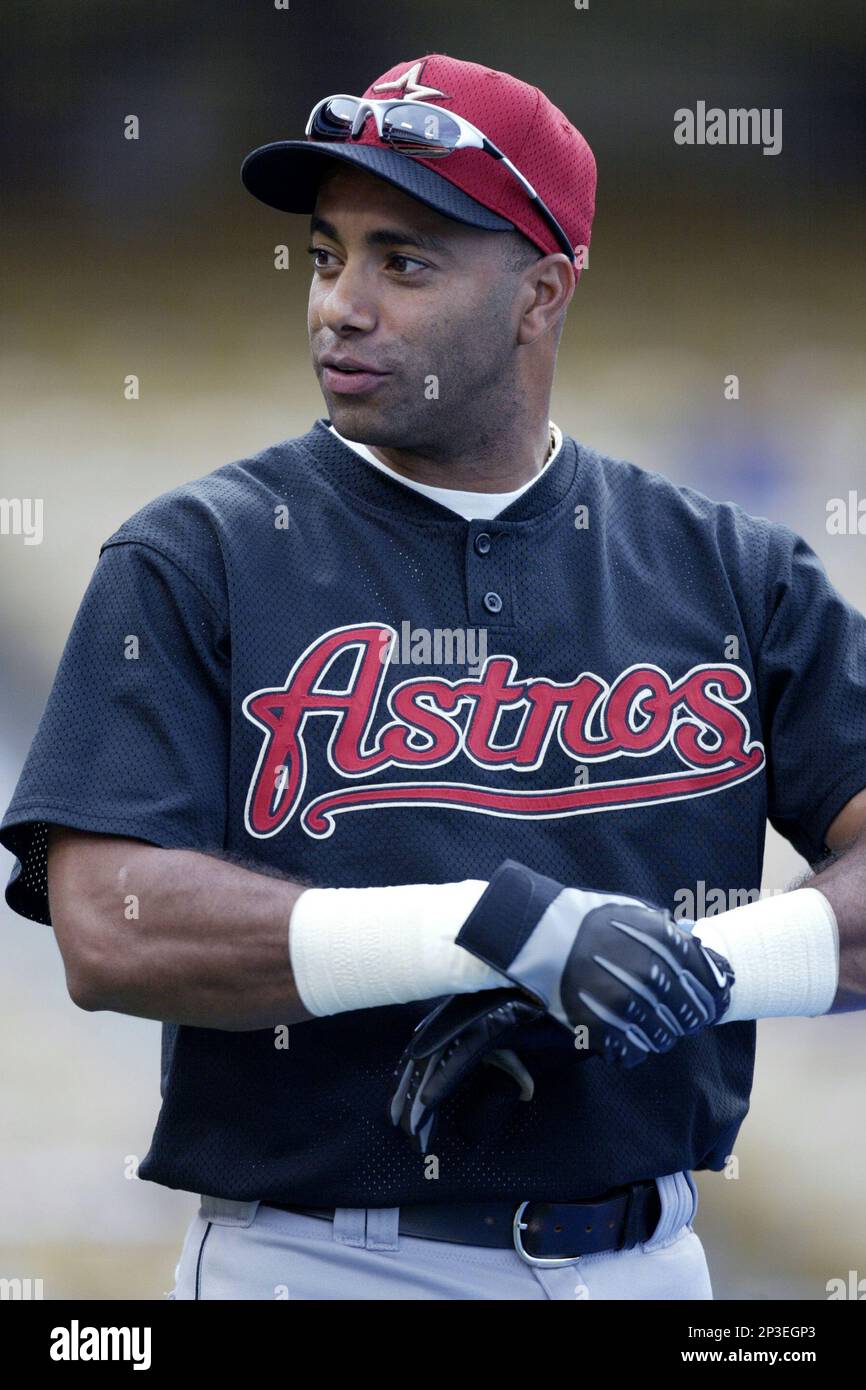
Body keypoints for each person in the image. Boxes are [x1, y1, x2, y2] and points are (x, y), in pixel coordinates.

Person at [2, 53, 865, 1302]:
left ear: (540, 292)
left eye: (402, 262)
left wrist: (689, 969)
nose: (338, 305)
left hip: (651, 1263)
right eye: (324, 255)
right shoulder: (199, 554)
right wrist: (479, 929)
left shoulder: (730, 571)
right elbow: (105, 924)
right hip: (316, 1259)